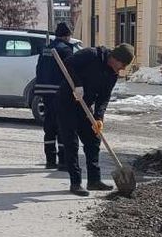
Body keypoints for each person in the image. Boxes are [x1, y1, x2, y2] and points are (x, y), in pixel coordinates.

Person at [55, 43, 134, 196]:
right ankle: (76, 183)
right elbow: (68, 64)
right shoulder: (91, 55)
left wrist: (99, 118)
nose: (123, 68)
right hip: (66, 101)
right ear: (115, 58)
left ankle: (94, 180)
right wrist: (77, 85)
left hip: (85, 105)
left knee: (93, 139)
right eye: (123, 64)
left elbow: (104, 98)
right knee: (71, 142)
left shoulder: (113, 74)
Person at [33, 22, 74, 169]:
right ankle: (63, 160)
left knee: (49, 125)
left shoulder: (46, 49)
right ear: (67, 36)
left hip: (45, 91)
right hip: (60, 92)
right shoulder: (66, 49)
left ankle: (50, 160)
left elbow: (39, 68)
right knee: (63, 125)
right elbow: (71, 70)